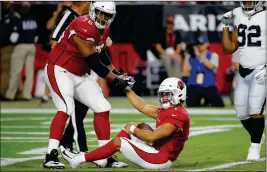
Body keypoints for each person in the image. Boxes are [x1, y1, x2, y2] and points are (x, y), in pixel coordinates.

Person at [42, 2, 135, 169]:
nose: (103, 18)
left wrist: (117, 72)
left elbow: (101, 52)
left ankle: (104, 156)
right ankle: (51, 154)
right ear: (93, 11)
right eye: (100, 13)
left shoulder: (104, 29)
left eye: (107, 15)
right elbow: (94, 63)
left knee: (102, 106)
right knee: (66, 108)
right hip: (59, 69)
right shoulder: (81, 24)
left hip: (79, 73)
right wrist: (116, 80)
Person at [61, 77, 190, 169]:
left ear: (179, 94)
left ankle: (79, 159)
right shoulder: (170, 110)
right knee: (135, 126)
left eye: (168, 94)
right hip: (158, 151)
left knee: (120, 141)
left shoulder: (177, 114)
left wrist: (134, 130)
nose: (164, 98)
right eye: (163, 94)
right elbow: (143, 106)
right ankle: (103, 157)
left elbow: (152, 137)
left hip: (161, 159)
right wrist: (127, 89)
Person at [221, 1, 266, 161]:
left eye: (250, 0)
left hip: (261, 69)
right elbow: (229, 48)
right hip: (243, 70)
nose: (247, 3)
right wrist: (225, 26)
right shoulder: (238, 14)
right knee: (241, 111)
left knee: (255, 109)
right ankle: (258, 134)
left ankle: (254, 147)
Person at [4, 2, 38, 101]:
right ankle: (27, 95)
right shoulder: (33, 20)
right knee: (29, 72)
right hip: (32, 46)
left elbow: (13, 38)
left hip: (21, 46)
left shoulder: (19, 19)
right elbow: (36, 37)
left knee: (15, 71)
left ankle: (10, 95)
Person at [184, 35, 224, 107]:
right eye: (198, 44)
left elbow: (211, 67)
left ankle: (207, 101)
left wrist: (199, 56)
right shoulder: (191, 56)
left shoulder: (213, 55)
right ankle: (203, 102)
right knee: (191, 104)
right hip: (194, 85)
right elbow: (185, 70)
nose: (199, 46)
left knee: (219, 104)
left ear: (207, 44)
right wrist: (187, 55)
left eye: (201, 44)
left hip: (208, 86)